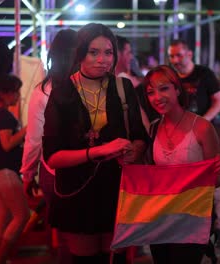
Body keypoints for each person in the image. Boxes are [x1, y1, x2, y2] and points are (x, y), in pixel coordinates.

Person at [42, 23, 148, 263]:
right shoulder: (62, 93)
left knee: (118, 259)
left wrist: (135, 151)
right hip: (77, 192)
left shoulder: (123, 87)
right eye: (94, 52)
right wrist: (99, 151)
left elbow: (141, 136)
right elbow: (53, 157)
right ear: (80, 53)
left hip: (117, 189)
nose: (103, 59)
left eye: (108, 52)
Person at [142, 65, 220, 264]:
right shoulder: (153, 130)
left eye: (164, 88)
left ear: (177, 89)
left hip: (193, 217)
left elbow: (218, 179)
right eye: (151, 92)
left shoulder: (202, 127)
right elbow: (149, 176)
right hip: (160, 218)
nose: (157, 97)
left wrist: (216, 172)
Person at [20, 28, 77, 264]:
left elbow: (34, 139)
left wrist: (27, 173)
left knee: (65, 236)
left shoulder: (43, 91)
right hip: (88, 171)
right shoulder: (91, 88)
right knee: (90, 235)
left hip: (53, 173)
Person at [168, 39, 220, 248]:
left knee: (210, 183)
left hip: (203, 138)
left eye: (179, 55)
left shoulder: (204, 74)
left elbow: (219, 101)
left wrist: (202, 122)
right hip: (176, 139)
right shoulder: (170, 75)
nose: (176, 60)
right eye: (172, 56)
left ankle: (217, 229)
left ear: (190, 54)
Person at [0, 74, 30, 264]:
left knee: (4, 216)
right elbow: (7, 144)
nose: (17, 96)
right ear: (3, 93)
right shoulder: (4, 115)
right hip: (4, 172)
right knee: (22, 216)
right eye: (15, 92)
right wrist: (26, 129)